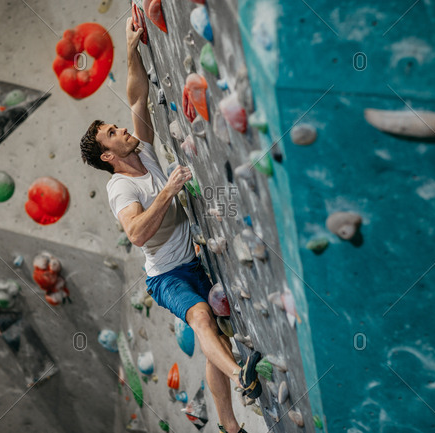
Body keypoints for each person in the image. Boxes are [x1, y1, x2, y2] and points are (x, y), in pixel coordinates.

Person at [79, 17, 261, 433]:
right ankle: (242, 378)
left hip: (193, 262)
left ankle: (230, 426)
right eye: (113, 133)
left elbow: (137, 93)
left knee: (214, 337)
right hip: (166, 277)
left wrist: (130, 48)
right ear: (108, 155)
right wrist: (168, 190)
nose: (122, 129)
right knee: (199, 317)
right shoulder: (121, 188)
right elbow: (136, 233)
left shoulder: (141, 150)